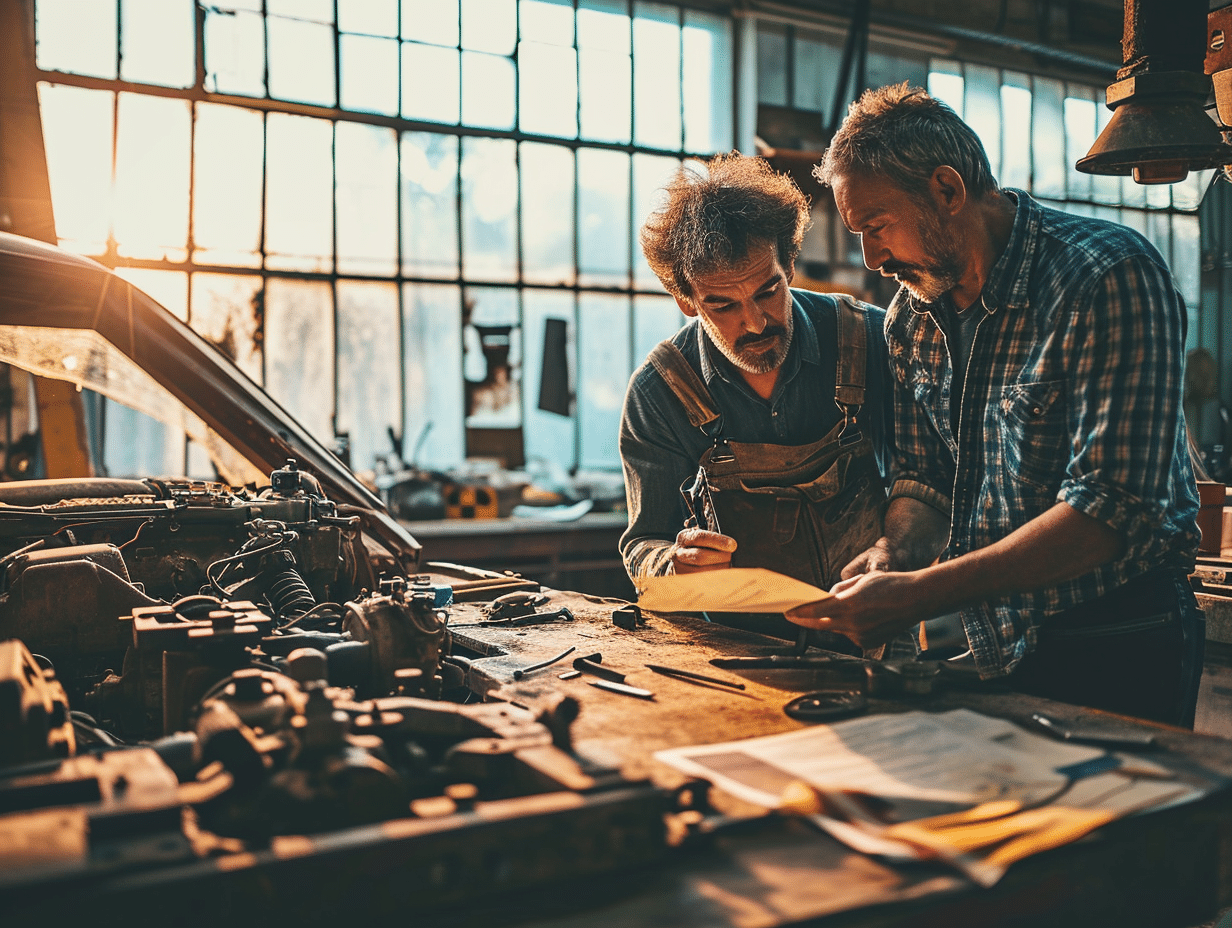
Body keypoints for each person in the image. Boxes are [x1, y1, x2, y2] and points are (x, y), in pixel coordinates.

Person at [790, 83, 1204, 726]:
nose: (871, 258)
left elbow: (1111, 509)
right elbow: (924, 476)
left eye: (876, 227)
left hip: (1119, 636)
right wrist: (894, 554)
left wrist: (919, 593)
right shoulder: (912, 320)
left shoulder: (1106, 278)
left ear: (948, 191)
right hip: (996, 640)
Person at [619, 153, 894, 645]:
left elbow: (929, 478)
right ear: (686, 301)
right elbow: (642, 546)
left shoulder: (869, 340)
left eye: (769, 291)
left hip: (875, 640)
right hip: (737, 654)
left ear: (789, 264)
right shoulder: (660, 393)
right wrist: (673, 566)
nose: (755, 323)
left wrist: (898, 549)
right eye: (722, 304)